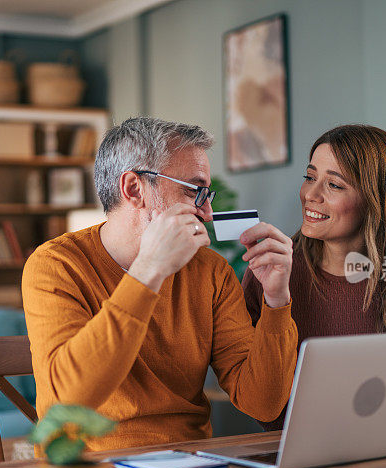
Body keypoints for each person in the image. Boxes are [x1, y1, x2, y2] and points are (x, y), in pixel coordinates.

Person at [22, 117, 298, 451]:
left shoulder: (211, 272)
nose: (208, 213)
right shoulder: (56, 265)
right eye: (194, 191)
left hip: (189, 467)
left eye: (206, 194)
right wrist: (148, 271)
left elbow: (263, 405)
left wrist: (276, 301)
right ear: (134, 189)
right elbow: (70, 400)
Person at [243, 124, 386, 434]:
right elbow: (256, 395)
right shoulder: (271, 271)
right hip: (294, 454)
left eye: (333, 185)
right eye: (310, 177)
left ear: (377, 199)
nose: (311, 194)